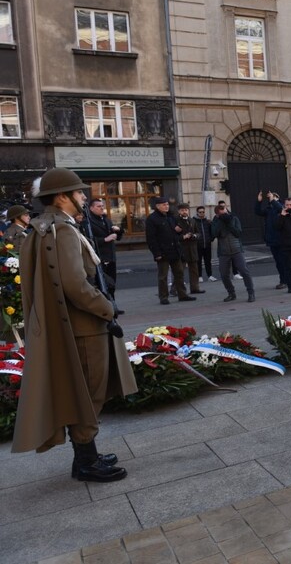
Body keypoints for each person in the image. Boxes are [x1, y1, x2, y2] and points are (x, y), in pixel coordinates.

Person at [12, 167, 136, 482]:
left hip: (77, 326)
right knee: (88, 393)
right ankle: (86, 463)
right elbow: (75, 285)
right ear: (63, 196)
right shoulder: (61, 231)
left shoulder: (49, 227)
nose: (84, 197)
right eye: (79, 192)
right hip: (84, 328)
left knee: (83, 391)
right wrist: (107, 308)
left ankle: (87, 455)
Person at [145, 197, 195, 305]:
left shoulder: (170, 217)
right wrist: (156, 253)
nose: (166, 206)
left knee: (179, 272)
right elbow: (151, 238)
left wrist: (177, 232)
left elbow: (174, 233)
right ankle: (163, 297)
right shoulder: (152, 219)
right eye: (164, 205)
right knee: (163, 276)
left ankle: (182, 294)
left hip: (175, 250)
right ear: (158, 206)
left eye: (167, 204)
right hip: (163, 252)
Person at [82, 200, 123, 307]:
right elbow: (88, 240)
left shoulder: (106, 220)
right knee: (103, 283)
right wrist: (105, 239)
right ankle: (105, 306)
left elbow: (117, 237)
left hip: (111, 256)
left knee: (112, 283)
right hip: (100, 256)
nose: (101, 208)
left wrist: (118, 231)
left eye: (102, 206)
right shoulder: (88, 222)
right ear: (91, 208)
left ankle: (113, 305)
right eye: (98, 206)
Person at [210, 204, 255, 302]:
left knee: (244, 271)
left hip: (237, 250)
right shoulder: (216, 221)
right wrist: (221, 222)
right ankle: (231, 293)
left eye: (225, 212)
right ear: (217, 214)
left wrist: (229, 223)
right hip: (223, 252)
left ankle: (251, 293)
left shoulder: (234, 218)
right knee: (224, 274)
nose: (224, 215)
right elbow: (214, 234)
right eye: (221, 214)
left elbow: (238, 233)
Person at [255, 190, 288, 289]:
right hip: (272, 239)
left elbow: (280, 208)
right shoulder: (269, 209)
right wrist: (259, 201)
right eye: (270, 197)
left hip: (282, 239)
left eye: (274, 197)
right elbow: (258, 212)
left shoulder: (282, 207)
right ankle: (284, 280)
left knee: (283, 261)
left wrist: (273, 200)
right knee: (278, 262)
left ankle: (285, 280)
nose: (271, 199)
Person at [176, 203, 204, 294]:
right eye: (182, 210)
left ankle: (195, 288)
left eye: (186, 210)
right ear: (179, 211)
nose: (184, 212)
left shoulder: (192, 220)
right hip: (182, 249)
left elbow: (198, 233)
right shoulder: (175, 221)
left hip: (192, 248)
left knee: (194, 270)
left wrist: (195, 235)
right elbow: (173, 236)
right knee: (180, 271)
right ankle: (175, 290)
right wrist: (183, 237)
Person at [194, 206, 216, 281]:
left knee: (208, 261)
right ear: (197, 212)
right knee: (198, 261)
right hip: (198, 245)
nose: (202, 213)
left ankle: (210, 275)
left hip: (207, 244)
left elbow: (212, 231)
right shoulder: (194, 221)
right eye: (200, 212)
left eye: (203, 212)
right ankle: (199, 276)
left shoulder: (207, 221)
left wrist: (211, 239)